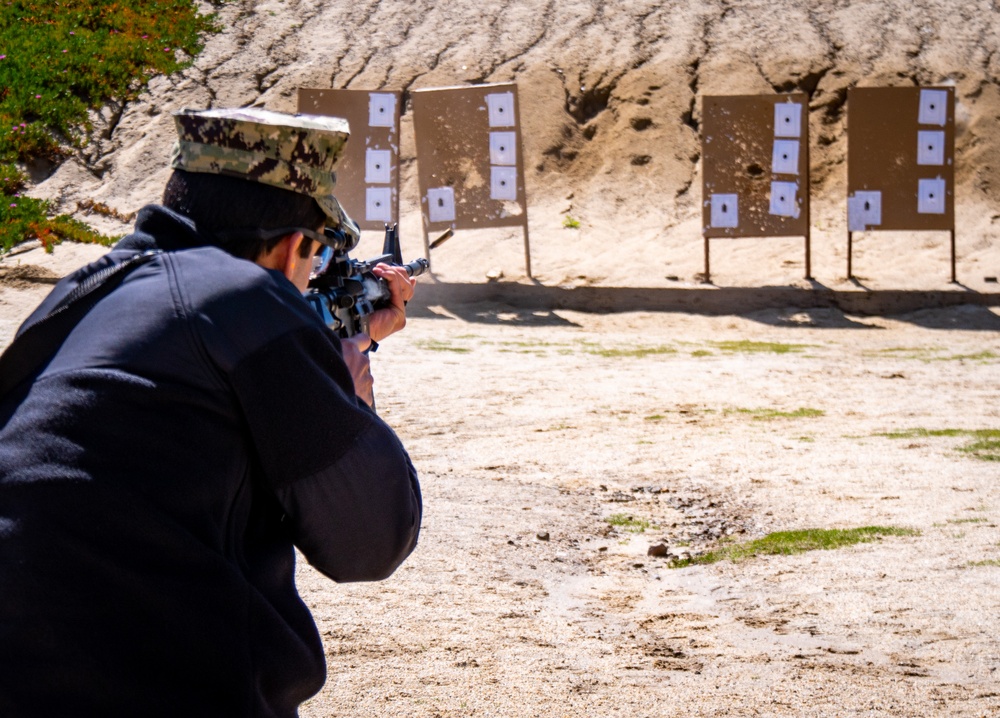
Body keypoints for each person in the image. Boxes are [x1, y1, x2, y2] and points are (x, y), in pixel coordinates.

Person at [0, 107, 422, 716]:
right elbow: (371, 542)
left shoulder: (76, 294)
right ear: (293, 245)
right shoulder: (247, 300)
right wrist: (352, 398)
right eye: (316, 257)